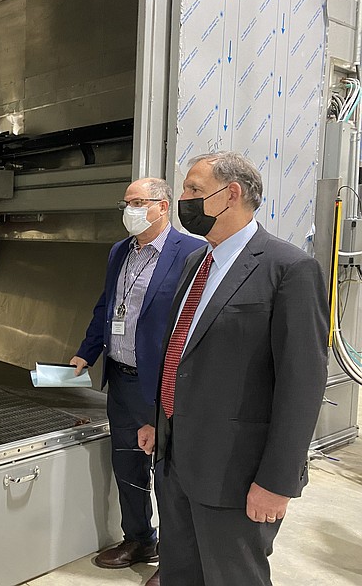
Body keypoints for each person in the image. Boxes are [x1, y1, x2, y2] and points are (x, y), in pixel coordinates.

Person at [138, 152, 329, 586]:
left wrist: (277, 481)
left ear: (233, 194)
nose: (182, 199)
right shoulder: (196, 264)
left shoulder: (289, 269)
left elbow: (301, 385)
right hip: (177, 464)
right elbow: (181, 354)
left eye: (194, 191)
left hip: (236, 476)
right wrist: (159, 423)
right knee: (180, 574)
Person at [70, 178, 202, 585]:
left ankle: (175, 560)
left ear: (162, 207)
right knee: (127, 464)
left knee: (168, 475)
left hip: (162, 384)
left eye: (138, 202)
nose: (130, 209)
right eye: (126, 202)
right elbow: (107, 306)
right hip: (121, 379)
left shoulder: (191, 253)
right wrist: (87, 352)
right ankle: (140, 539)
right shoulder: (120, 251)